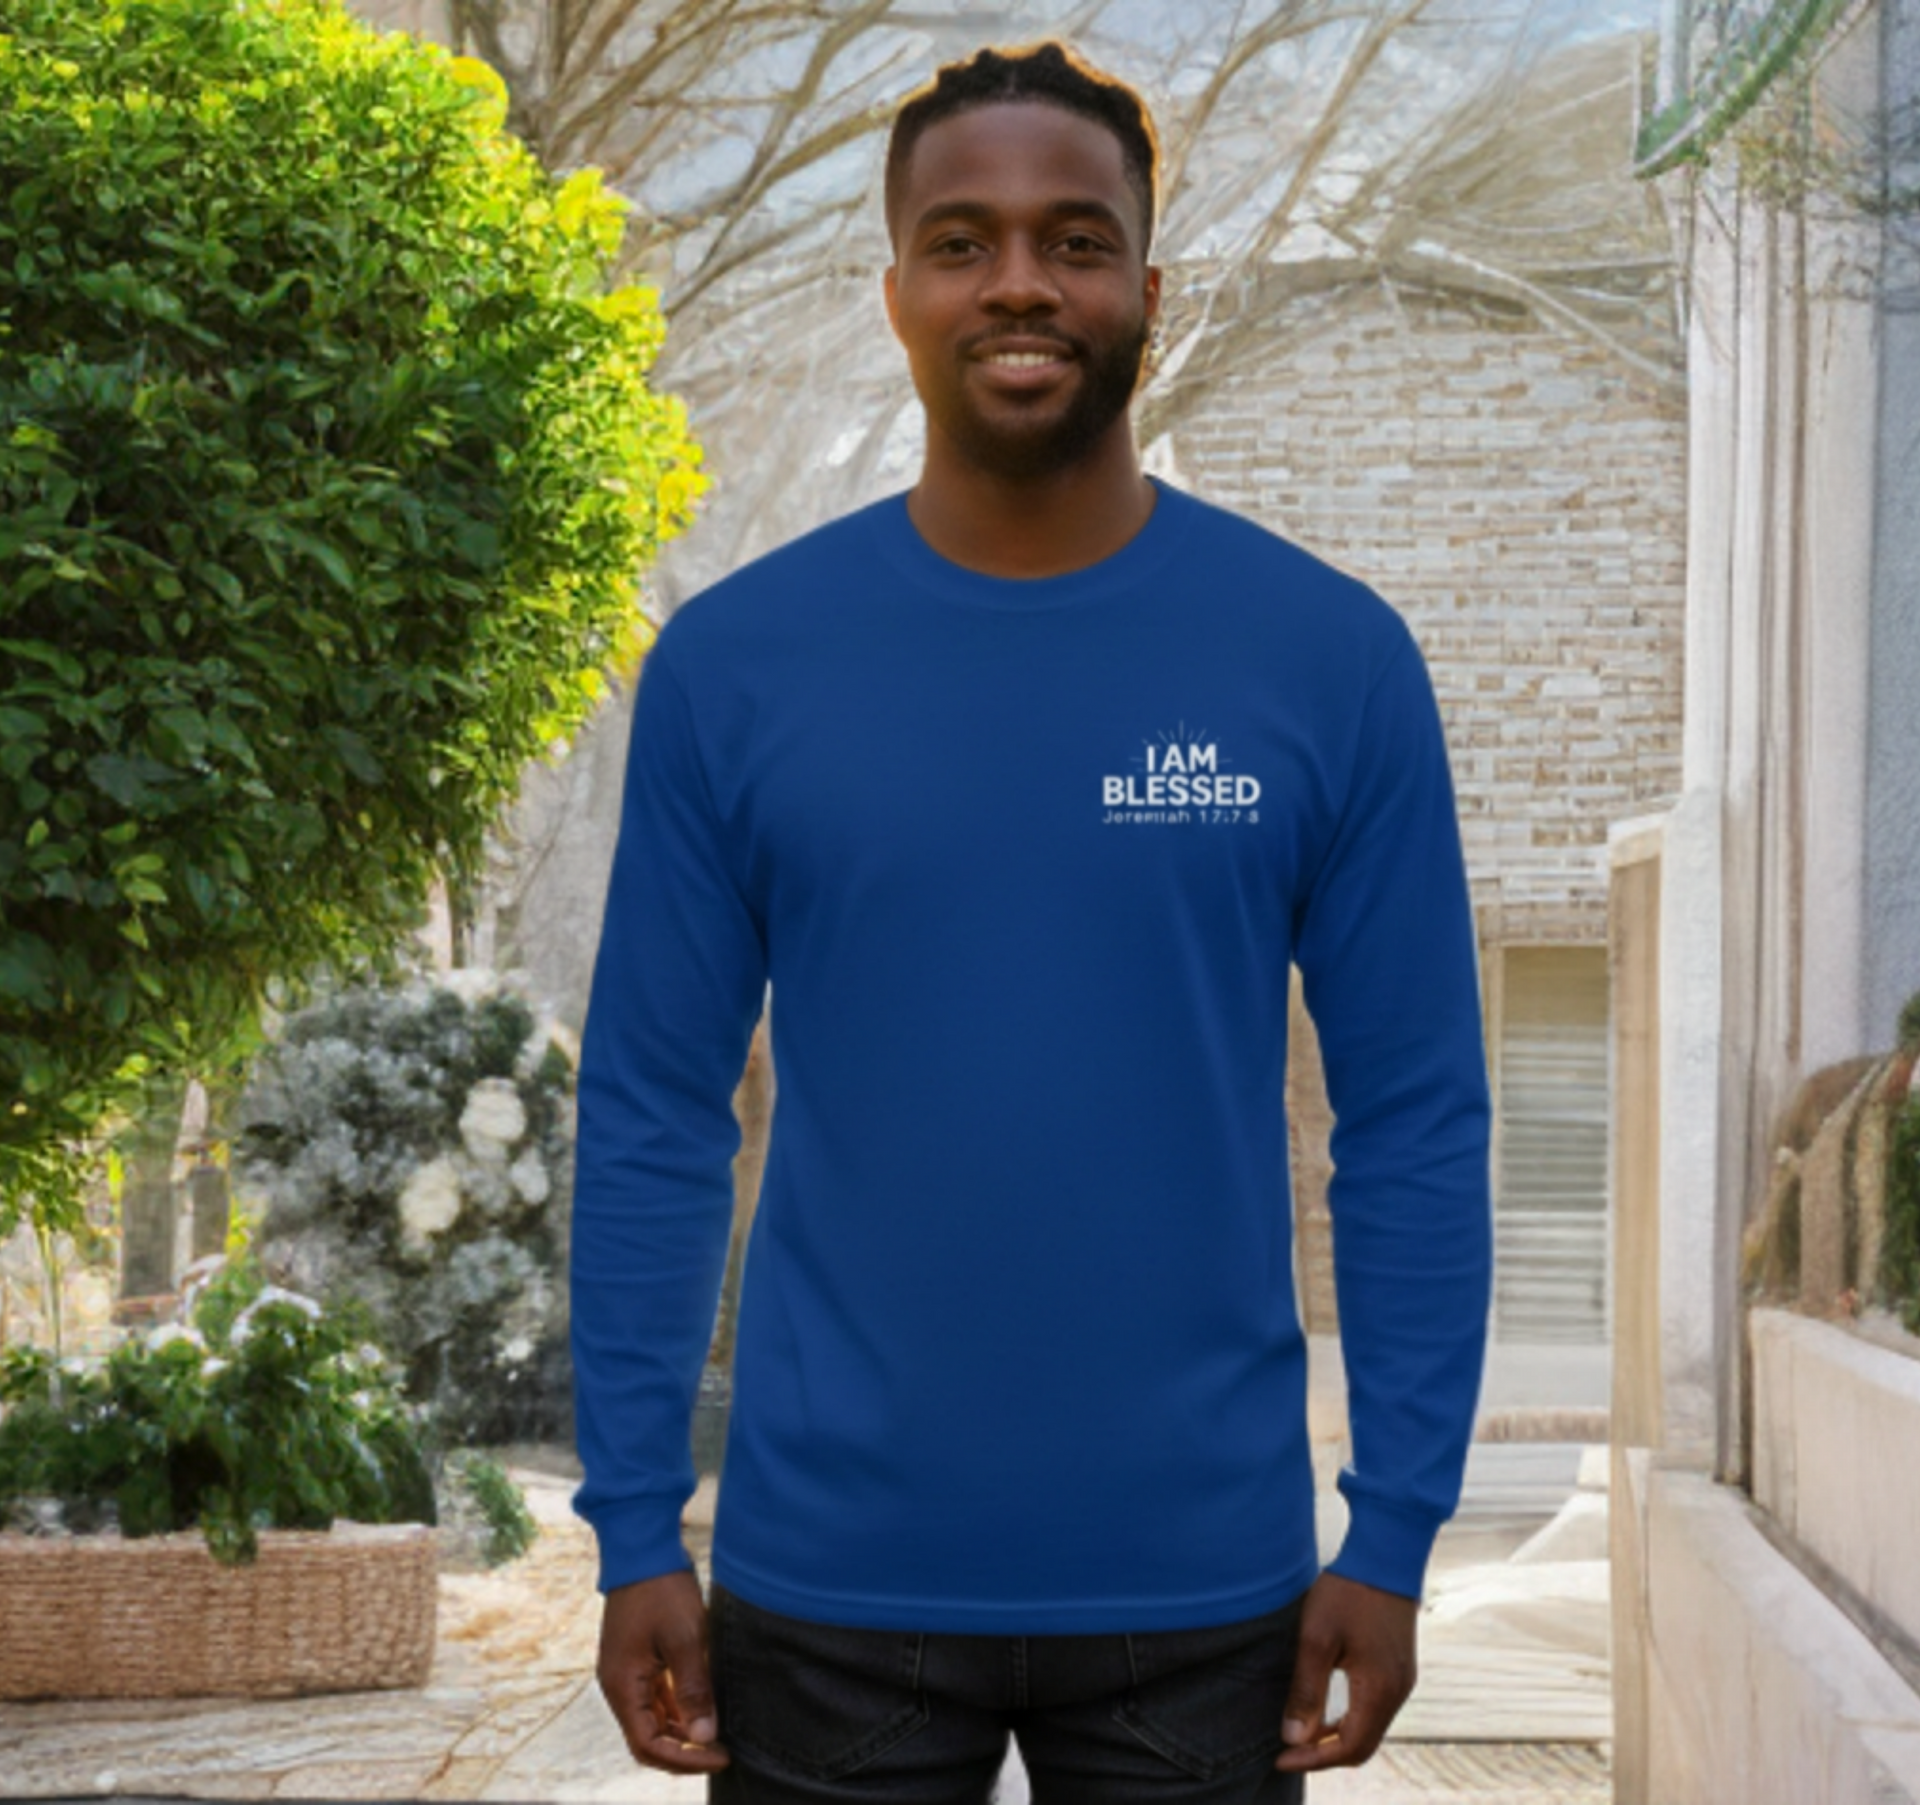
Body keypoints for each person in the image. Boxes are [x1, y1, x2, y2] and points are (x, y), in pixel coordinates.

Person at [570, 38, 1493, 1805]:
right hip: (825, 1594)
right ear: (896, 289)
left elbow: (1415, 1124)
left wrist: (1394, 1532)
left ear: (1151, 283)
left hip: (1208, 1600)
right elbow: (652, 1114)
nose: (1019, 280)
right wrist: (630, 1525)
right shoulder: (736, 669)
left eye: (1074, 240)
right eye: (962, 239)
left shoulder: (1325, 659)